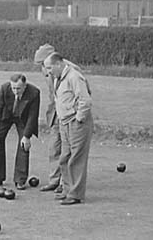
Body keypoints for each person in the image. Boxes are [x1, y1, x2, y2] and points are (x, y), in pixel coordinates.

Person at [33, 43, 87, 194]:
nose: (42, 69)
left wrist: (78, 115)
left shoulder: (72, 71)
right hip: (56, 114)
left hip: (70, 117)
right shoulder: (48, 71)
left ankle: (65, 184)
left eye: (42, 64)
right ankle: (54, 180)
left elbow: (84, 95)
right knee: (54, 148)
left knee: (67, 152)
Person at [43, 52, 93, 205]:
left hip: (76, 123)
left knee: (76, 158)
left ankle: (76, 195)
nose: (48, 71)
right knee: (64, 157)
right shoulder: (58, 78)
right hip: (64, 122)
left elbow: (85, 99)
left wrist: (78, 118)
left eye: (50, 68)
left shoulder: (74, 76)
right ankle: (67, 190)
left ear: (59, 64)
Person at [0, 73, 40, 190]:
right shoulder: (4, 88)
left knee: (23, 145)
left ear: (25, 86)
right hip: (6, 115)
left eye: (18, 88)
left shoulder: (34, 93)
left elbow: (33, 116)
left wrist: (26, 136)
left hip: (23, 118)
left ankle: (20, 180)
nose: (15, 91)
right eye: (13, 88)